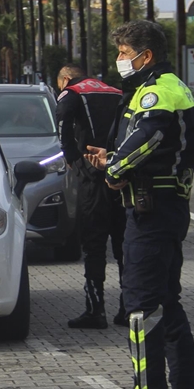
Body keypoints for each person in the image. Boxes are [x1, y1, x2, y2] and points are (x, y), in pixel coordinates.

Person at [83, 20, 194, 389]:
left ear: (145, 55)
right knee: (166, 300)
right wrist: (115, 158)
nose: (120, 60)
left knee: (140, 303)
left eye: (124, 53)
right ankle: (187, 387)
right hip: (163, 207)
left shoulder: (157, 93)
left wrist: (114, 171)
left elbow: (150, 137)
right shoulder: (170, 88)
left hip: (151, 210)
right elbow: (156, 147)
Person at [54, 65, 126, 329]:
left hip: (92, 177)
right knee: (122, 244)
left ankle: (95, 311)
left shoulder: (71, 92)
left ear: (65, 79)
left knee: (94, 245)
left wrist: (71, 156)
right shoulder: (115, 91)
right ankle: (128, 308)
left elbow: (62, 120)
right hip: (118, 173)